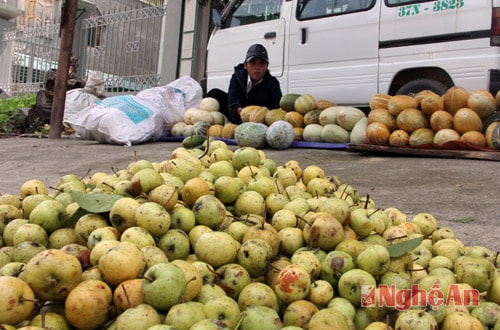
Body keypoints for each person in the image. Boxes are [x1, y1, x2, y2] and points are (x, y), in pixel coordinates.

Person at [207, 44, 282, 124]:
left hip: (260, 122)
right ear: (245, 65)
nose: (257, 67)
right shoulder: (238, 76)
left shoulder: (272, 83)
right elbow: (233, 96)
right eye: (253, 63)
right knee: (214, 94)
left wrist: (262, 115)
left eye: (261, 63)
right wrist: (238, 110)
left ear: (267, 66)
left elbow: (276, 107)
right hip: (238, 116)